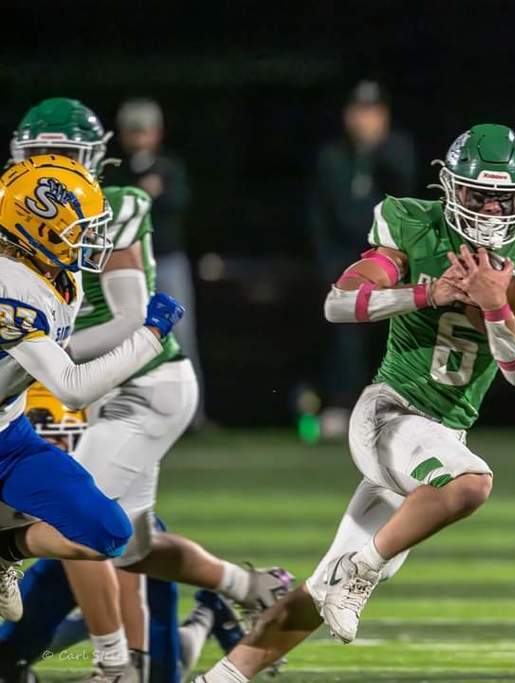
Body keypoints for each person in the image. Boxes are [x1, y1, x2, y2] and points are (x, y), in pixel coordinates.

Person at [193, 123, 515, 683]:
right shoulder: (413, 223)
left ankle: (222, 677)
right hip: (390, 414)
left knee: (320, 588)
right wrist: (429, 292)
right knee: (471, 484)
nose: (491, 209)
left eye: (504, 197)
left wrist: (496, 308)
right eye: (477, 194)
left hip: (442, 438)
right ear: (449, 186)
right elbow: (339, 303)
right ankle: (365, 568)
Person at [10, 98, 293, 683]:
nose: (55, 173)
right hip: (80, 385)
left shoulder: (107, 209)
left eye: (67, 156)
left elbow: (130, 321)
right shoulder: (15, 222)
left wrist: (42, 354)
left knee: (85, 527)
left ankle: (116, 666)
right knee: (130, 542)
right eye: (45, 157)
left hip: (140, 380)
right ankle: (243, 589)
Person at [0, 154, 182, 624]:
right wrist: (149, 335)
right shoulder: (8, 285)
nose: (90, 238)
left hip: (9, 433)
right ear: (37, 228)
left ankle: (3, 552)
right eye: (79, 227)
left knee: (106, 532)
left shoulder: (54, 273)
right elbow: (72, 388)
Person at [0, 383, 245, 683]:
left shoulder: (88, 397)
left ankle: (207, 615)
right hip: (56, 548)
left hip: (118, 549)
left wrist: (117, 662)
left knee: (157, 675)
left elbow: (113, 539)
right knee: (7, 660)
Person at [308, 80, 418, 438]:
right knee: (344, 335)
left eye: (372, 112)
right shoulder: (332, 157)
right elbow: (319, 214)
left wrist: (404, 261)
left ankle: (395, 407)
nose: (364, 119)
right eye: (359, 111)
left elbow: (408, 201)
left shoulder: (397, 151)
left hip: (389, 258)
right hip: (345, 259)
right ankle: (343, 405)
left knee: (394, 331)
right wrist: (327, 262)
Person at [104, 98, 206, 429]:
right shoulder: (115, 169)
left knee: (180, 337)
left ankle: (191, 415)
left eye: (143, 131)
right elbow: (112, 209)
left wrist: (141, 196)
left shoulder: (168, 166)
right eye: (132, 131)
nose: (138, 138)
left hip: (166, 260)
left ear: (157, 132)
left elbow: (179, 203)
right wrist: (142, 192)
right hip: (124, 264)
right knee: (124, 336)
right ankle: (127, 409)